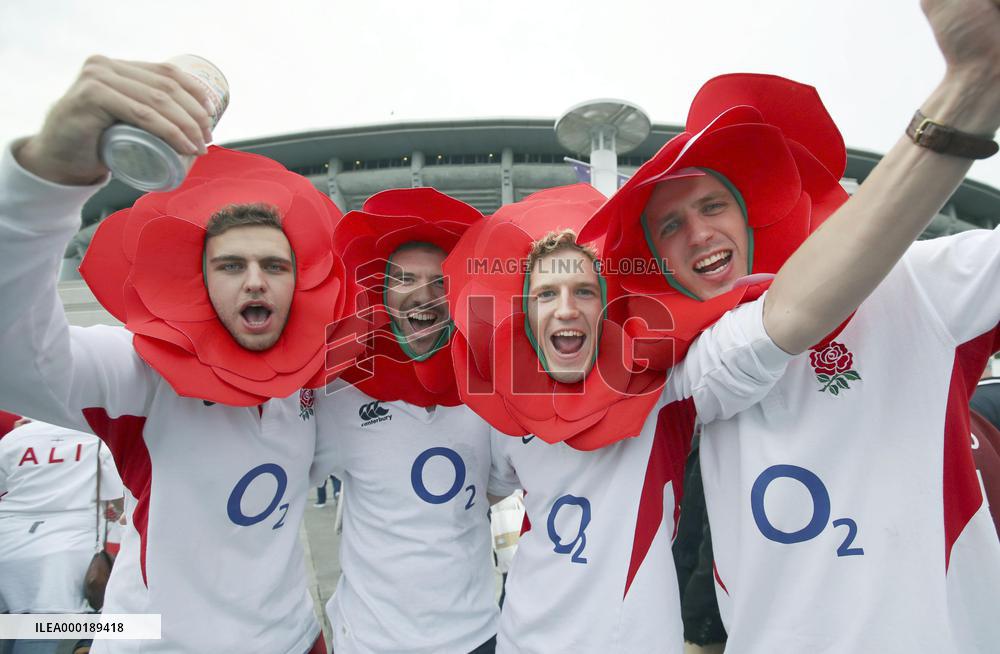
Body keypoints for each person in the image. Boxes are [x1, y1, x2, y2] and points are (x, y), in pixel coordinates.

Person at [451, 0, 1000, 651]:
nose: (700, 233)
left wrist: (970, 90)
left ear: (752, 214)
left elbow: (791, 311)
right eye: (670, 225)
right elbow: (784, 319)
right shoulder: (689, 365)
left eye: (713, 205)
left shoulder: (915, 284)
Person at [0, 57, 359, 653]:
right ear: (201, 282)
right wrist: (47, 182)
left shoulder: (312, 383)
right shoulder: (144, 374)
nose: (254, 281)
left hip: (294, 640)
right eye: (230, 266)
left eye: (274, 266)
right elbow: (16, 359)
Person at [312, 188, 499, 654]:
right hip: (373, 641)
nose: (423, 293)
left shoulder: (490, 396)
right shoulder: (339, 396)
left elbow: (500, 485)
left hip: (477, 635)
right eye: (404, 278)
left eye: (440, 282)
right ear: (379, 292)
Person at [0, 419, 123, 654]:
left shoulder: (15, 438)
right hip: (65, 556)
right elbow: (117, 500)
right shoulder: (97, 439)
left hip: (8, 549)